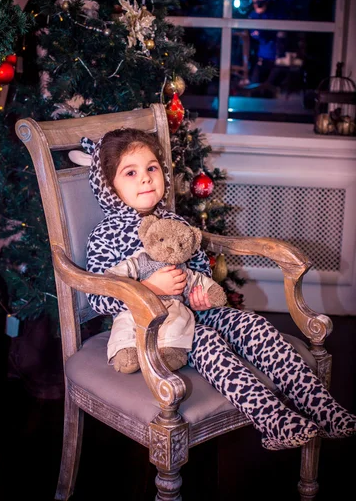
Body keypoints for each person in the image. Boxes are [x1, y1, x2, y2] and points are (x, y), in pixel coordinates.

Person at [79, 127, 356, 452]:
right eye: (131, 172)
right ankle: (276, 421)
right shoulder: (105, 235)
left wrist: (201, 290)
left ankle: (320, 406)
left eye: (152, 168)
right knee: (208, 343)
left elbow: (196, 267)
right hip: (156, 330)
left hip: (196, 311)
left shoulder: (174, 221)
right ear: (110, 186)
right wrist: (147, 288)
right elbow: (97, 294)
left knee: (254, 325)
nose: (145, 178)